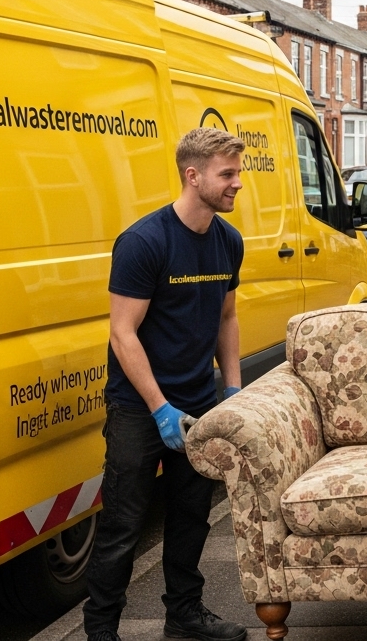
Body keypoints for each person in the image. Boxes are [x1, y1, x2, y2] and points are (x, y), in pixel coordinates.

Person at [84, 128, 248, 641]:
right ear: (192, 175)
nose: (238, 183)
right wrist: (159, 408)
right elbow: (122, 333)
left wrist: (233, 390)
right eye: (227, 173)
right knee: (123, 525)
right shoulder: (144, 242)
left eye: (238, 172)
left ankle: (184, 614)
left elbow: (226, 317)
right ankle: (101, 630)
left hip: (198, 401)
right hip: (139, 407)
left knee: (191, 517)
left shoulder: (228, 241)